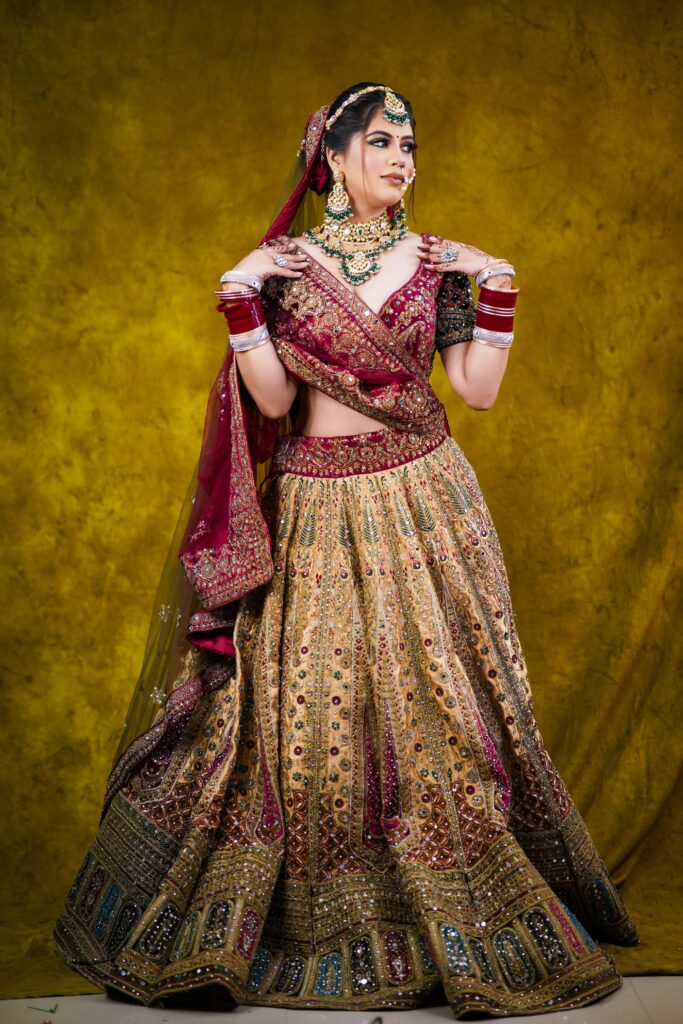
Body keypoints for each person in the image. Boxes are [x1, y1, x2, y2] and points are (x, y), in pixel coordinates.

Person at [54, 82, 639, 1018]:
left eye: (409, 142)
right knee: (299, 719)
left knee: (439, 710)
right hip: (317, 507)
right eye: (380, 141)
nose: (401, 157)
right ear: (330, 159)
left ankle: (459, 916)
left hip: (424, 504)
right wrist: (243, 298)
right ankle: (286, 923)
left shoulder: (439, 264)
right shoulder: (285, 268)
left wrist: (498, 286)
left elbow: (475, 391)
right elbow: (277, 406)